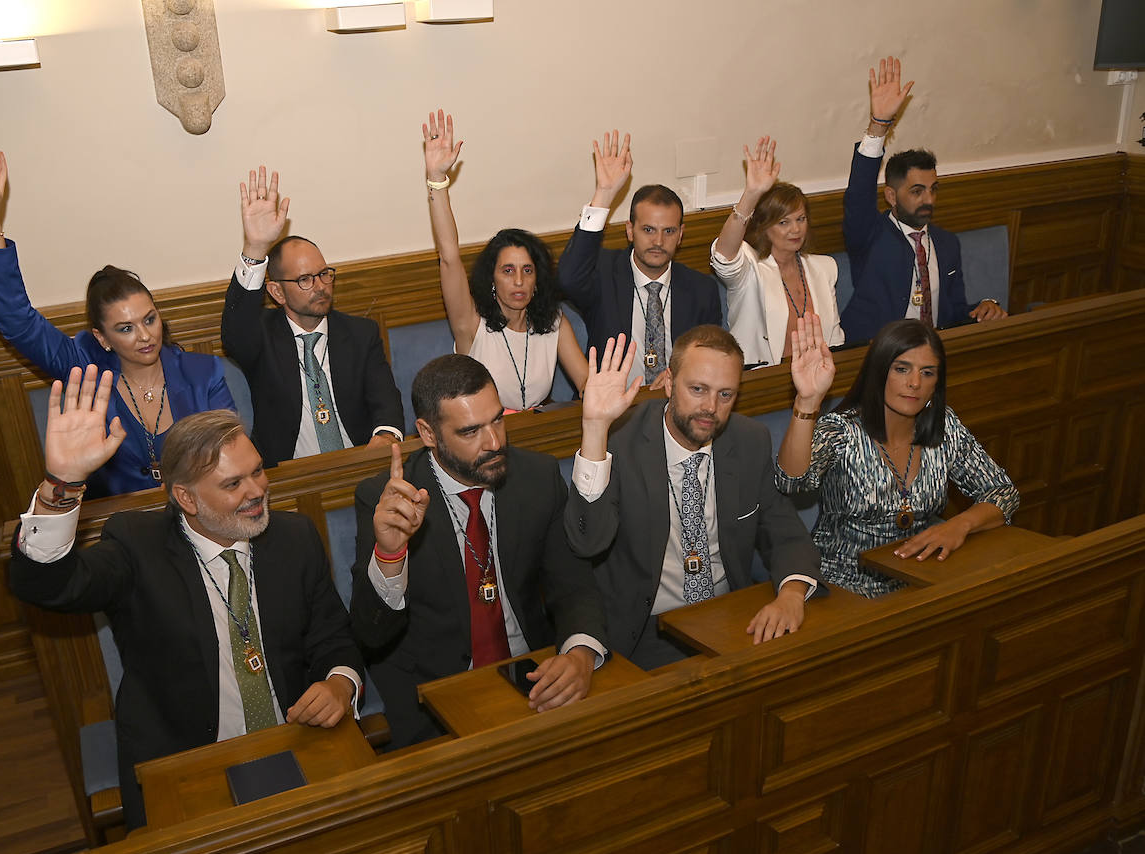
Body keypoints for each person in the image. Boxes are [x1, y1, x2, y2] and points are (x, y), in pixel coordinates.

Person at [9, 365, 363, 828]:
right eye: (234, 484)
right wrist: (62, 486)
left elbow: (333, 637)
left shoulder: (294, 538)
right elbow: (48, 587)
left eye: (257, 472)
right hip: (187, 766)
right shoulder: (137, 548)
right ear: (187, 498)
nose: (257, 491)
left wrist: (341, 683)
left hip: (297, 742)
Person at [351, 355, 608, 748]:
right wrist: (390, 555)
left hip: (534, 677)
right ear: (428, 432)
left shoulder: (536, 477)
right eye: (471, 431)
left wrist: (579, 654)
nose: (494, 443)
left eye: (498, 420)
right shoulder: (388, 501)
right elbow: (371, 634)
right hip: (437, 700)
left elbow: (574, 586)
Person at [0, 148, 233, 498]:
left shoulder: (204, 374)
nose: (144, 335)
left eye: (149, 319)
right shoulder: (85, 371)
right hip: (117, 529)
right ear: (102, 337)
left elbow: (231, 458)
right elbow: (17, 322)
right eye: (125, 328)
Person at [565, 329, 822, 669]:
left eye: (725, 394)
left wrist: (791, 595)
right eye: (698, 389)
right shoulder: (620, 445)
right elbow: (586, 543)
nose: (710, 408)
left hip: (730, 620)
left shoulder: (749, 441)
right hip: (642, 634)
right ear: (669, 382)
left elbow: (785, 533)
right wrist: (595, 429)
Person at [776, 314, 1020, 597]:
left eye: (927, 373)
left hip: (921, 579)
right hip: (842, 587)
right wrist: (807, 401)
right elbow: (791, 482)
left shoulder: (945, 426)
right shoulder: (841, 431)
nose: (915, 382)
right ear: (878, 373)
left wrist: (959, 525)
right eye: (902, 369)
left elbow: (1002, 492)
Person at [220, 166, 405, 467]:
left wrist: (386, 436)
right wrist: (255, 247)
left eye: (324, 274)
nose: (320, 287)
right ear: (277, 293)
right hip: (290, 481)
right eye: (305, 280)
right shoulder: (262, 337)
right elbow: (234, 332)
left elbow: (386, 400)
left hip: (361, 466)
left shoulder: (361, 334)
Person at [420, 109, 588, 410]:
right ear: (492, 279)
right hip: (481, 442)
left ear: (538, 280)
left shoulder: (554, 323)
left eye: (527, 270)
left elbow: (587, 384)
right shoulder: (470, 324)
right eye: (508, 271)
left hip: (536, 442)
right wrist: (436, 179)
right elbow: (448, 257)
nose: (519, 281)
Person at [840, 57, 1008, 344]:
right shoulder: (869, 235)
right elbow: (858, 194)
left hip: (932, 354)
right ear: (891, 195)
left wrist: (984, 307)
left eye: (934, 189)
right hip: (877, 356)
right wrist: (878, 125)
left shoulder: (946, 244)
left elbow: (953, 315)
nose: (928, 199)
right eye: (917, 191)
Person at [558, 130, 721, 391]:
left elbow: (712, 357)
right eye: (648, 230)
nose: (658, 241)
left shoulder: (701, 290)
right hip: (614, 408)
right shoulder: (603, 273)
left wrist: (678, 377)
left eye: (668, 231)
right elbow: (567, 278)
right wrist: (604, 194)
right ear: (630, 230)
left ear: (680, 235)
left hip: (676, 403)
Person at [710, 137, 844, 366]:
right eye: (783, 222)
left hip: (816, 375)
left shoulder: (825, 268)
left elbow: (835, 341)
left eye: (801, 219)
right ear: (764, 227)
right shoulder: (750, 269)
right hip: (763, 383)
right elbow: (723, 257)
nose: (796, 229)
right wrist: (751, 194)